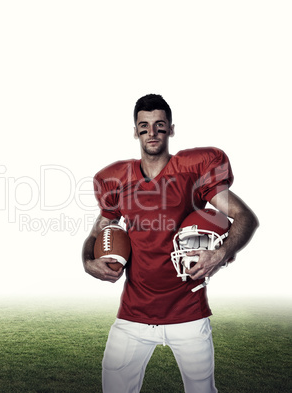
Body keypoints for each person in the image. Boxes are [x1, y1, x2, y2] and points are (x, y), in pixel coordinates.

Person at [81, 94, 258, 393]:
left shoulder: (192, 172)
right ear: (135, 131)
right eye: (144, 126)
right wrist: (88, 261)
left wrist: (221, 253)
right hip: (134, 315)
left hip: (188, 311)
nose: (152, 132)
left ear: (171, 129)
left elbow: (244, 217)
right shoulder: (117, 180)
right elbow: (97, 232)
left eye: (159, 125)